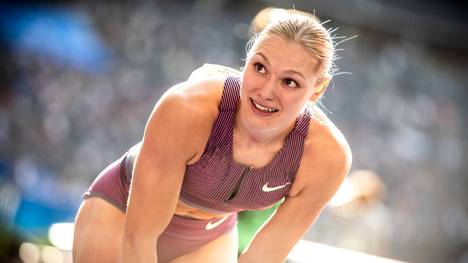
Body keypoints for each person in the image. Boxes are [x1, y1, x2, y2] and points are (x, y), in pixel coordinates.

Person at [73, 9, 352, 263]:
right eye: (259, 67)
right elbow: (139, 238)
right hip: (122, 212)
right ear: (246, 61)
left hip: (209, 236)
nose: (266, 91)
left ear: (317, 89)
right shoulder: (186, 108)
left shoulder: (327, 157)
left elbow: (263, 257)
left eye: (289, 82)